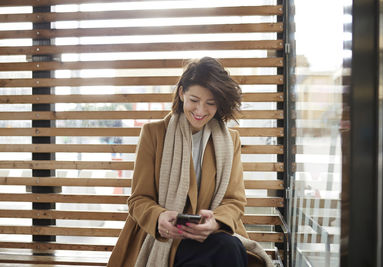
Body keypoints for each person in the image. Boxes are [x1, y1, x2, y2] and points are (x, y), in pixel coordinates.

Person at [107, 57, 274, 267]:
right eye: (194, 100)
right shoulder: (154, 134)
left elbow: (235, 200)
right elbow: (139, 199)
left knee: (224, 247)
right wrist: (158, 217)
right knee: (222, 251)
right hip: (163, 238)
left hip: (213, 235)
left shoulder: (230, 141)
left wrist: (215, 222)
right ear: (181, 93)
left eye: (210, 103)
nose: (200, 111)